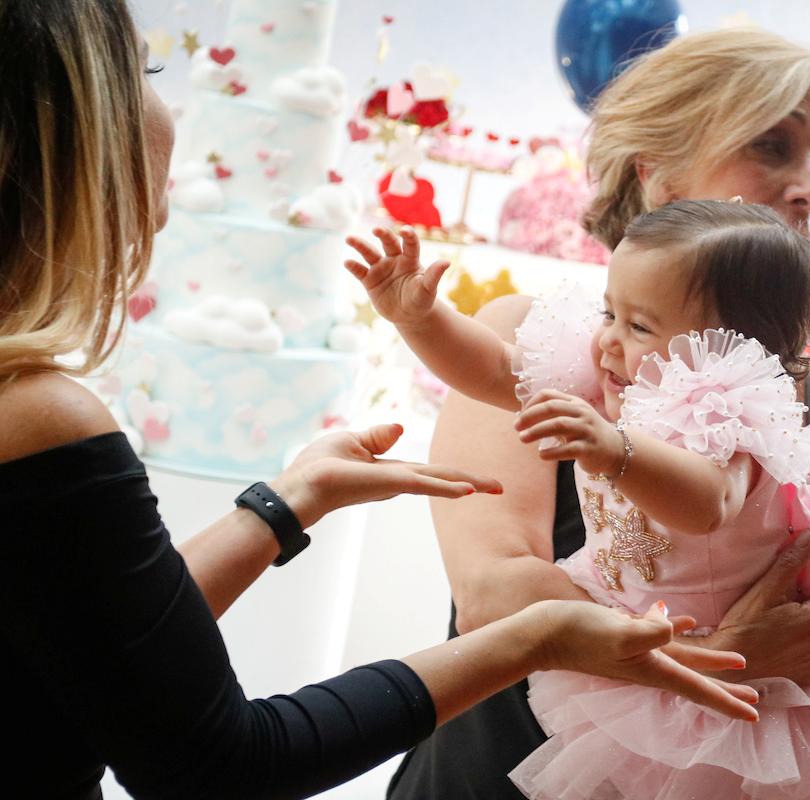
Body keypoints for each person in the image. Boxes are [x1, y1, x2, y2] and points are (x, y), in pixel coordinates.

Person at [0, 2, 761, 797]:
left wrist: (283, 506)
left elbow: (109, 644)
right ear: (65, 130)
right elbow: (221, 762)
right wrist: (534, 639)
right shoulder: (38, 416)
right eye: (148, 72)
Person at [387, 27, 810, 800]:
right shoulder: (548, 340)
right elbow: (495, 593)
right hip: (507, 766)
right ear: (660, 179)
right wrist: (719, 655)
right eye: (772, 147)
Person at [346, 199, 810, 799]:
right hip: (651, 641)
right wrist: (418, 319)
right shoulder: (611, 376)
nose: (609, 341)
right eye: (608, 312)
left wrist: (616, 449)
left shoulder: (728, 414)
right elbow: (491, 371)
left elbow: (709, 503)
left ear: (728, 350)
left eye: (640, 324)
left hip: (756, 676)